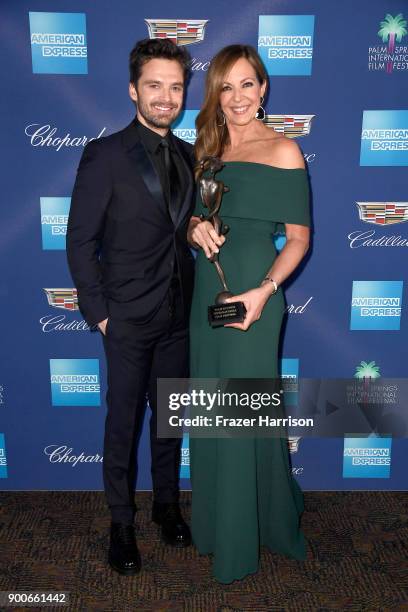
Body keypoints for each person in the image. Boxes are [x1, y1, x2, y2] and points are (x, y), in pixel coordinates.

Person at [66, 38, 195, 576]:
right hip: (125, 318)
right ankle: (122, 525)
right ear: (132, 90)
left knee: (168, 421)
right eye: (154, 86)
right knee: (123, 425)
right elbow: (79, 241)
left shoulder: (190, 155)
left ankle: (167, 506)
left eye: (175, 87)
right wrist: (100, 312)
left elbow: (177, 227)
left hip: (179, 316)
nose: (165, 98)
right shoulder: (106, 154)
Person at [187, 44, 311, 583]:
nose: (236, 97)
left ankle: (241, 545)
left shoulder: (285, 151)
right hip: (205, 296)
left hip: (256, 297)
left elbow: (299, 240)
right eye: (225, 86)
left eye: (247, 84)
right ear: (215, 93)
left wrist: (263, 291)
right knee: (215, 411)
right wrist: (193, 227)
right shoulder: (207, 150)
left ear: (263, 91)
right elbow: (196, 214)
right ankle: (221, 523)